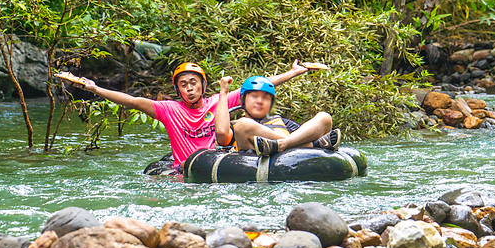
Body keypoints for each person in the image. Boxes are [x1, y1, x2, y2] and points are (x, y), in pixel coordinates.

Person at [54, 61, 310, 169]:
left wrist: (293, 73)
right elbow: (132, 102)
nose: (189, 88)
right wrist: (95, 88)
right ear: (178, 89)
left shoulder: (217, 102)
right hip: (188, 168)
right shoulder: (169, 110)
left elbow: (256, 89)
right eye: (184, 84)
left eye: (194, 83)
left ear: (202, 85)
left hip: (219, 160)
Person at [214, 75, 341, 156]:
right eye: (254, 96)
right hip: (252, 171)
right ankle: (305, 146)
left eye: (265, 98)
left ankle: (282, 145)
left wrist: (284, 144)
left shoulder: (285, 123)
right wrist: (224, 93)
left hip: (290, 166)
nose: (260, 101)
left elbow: (314, 130)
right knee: (243, 124)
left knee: (325, 117)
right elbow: (221, 133)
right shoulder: (235, 126)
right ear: (243, 101)